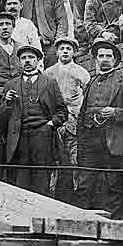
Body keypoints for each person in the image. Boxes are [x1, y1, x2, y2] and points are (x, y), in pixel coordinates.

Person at [0, 45, 67, 196]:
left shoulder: (49, 82)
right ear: (19, 61)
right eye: (23, 58)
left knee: (41, 180)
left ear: (38, 60)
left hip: (43, 137)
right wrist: (7, 103)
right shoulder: (11, 84)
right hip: (19, 138)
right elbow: (0, 118)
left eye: (31, 57)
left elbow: (62, 112)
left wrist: (50, 124)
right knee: (21, 182)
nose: (27, 61)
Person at [76, 40, 123, 219]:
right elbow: (82, 113)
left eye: (109, 56)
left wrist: (115, 112)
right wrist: (81, 139)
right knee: (85, 184)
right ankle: (82, 221)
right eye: (101, 56)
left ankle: (114, 224)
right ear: (96, 59)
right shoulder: (91, 82)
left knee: (113, 185)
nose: (104, 59)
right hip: (90, 141)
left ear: (115, 60)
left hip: (112, 140)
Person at [44, 37, 90, 193]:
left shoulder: (81, 72)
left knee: (75, 159)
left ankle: (77, 193)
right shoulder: (48, 73)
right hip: (54, 121)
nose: (65, 51)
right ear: (57, 52)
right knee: (53, 159)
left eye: (68, 49)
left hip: (73, 122)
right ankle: (51, 193)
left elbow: (87, 97)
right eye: (62, 48)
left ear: (74, 52)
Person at [22, 0, 68, 68]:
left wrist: (58, 42)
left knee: (51, 71)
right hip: (30, 45)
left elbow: (62, 21)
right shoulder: (24, 1)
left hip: (49, 45)